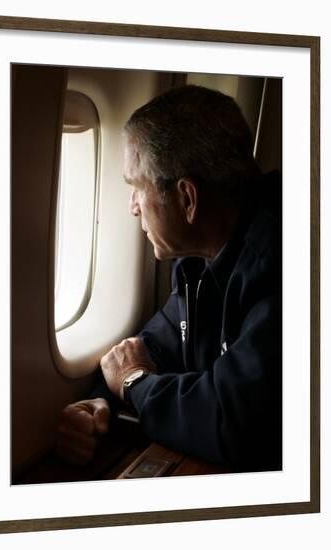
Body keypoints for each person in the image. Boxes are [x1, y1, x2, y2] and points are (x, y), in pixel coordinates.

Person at [56, 85, 282, 472]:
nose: (132, 208)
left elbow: (233, 424)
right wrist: (99, 403)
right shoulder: (198, 262)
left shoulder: (283, 262)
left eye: (136, 188)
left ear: (187, 199)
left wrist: (132, 385)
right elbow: (148, 349)